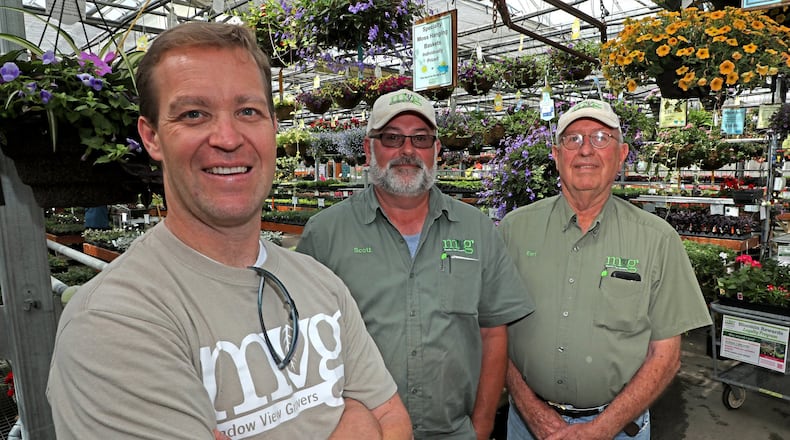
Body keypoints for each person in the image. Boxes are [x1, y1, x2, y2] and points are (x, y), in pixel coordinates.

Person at [47, 22, 411, 440]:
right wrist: (356, 422)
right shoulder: (114, 321)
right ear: (152, 137)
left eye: (248, 111)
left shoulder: (321, 284)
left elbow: (393, 419)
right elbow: (374, 421)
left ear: (273, 126)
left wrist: (371, 419)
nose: (226, 138)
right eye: (194, 114)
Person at [296, 89, 534, 439]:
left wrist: (481, 427)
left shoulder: (476, 229)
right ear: (368, 148)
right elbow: (301, 344)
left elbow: (493, 332)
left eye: (420, 139)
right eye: (392, 138)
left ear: (436, 150)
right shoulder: (325, 234)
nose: (407, 151)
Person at [499, 99, 713, 440]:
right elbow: (495, 333)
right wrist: (533, 413)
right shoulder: (513, 230)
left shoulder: (657, 240)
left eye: (601, 138)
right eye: (573, 139)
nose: (586, 150)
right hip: (526, 424)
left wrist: (601, 428)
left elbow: (667, 356)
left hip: (619, 431)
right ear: (556, 155)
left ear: (622, 154)